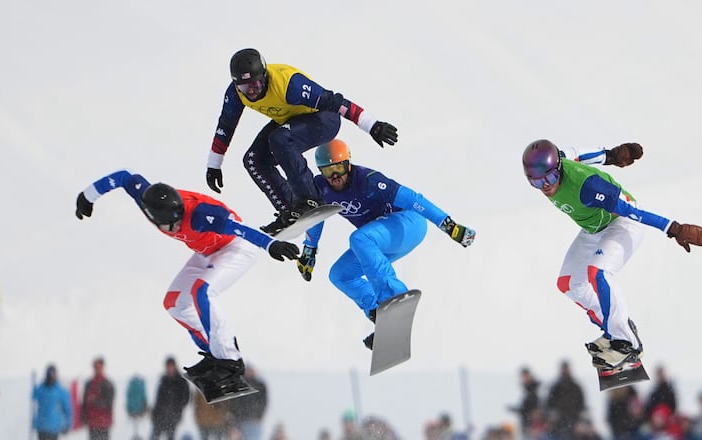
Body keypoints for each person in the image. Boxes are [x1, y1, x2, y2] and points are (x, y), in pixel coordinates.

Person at [75, 169, 299, 402]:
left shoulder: (200, 215)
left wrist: (271, 245)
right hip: (207, 251)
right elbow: (122, 177)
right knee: (175, 303)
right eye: (170, 226)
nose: (175, 227)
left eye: (177, 222)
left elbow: (239, 228)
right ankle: (214, 352)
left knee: (202, 292)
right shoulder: (146, 198)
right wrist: (87, 196)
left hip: (237, 247)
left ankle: (230, 361)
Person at [521, 140, 702, 370]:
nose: (546, 187)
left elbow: (631, 211)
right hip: (594, 228)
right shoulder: (560, 159)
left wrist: (674, 228)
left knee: (598, 272)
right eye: (536, 183)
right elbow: (578, 154)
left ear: (558, 168)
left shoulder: (588, 186)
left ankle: (627, 343)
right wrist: (610, 156)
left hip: (623, 223)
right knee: (569, 283)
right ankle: (614, 328)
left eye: (549, 179)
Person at [296, 139, 475, 348]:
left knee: (359, 238)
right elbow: (317, 217)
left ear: (348, 164)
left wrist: (449, 225)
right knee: (340, 275)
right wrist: (309, 251)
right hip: (379, 239)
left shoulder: (368, 180)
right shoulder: (320, 189)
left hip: (409, 224)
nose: (335, 176)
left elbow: (413, 198)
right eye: (328, 171)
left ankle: (394, 297)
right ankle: (380, 316)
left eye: (338, 168)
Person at [205, 48, 399, 235]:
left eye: (256, 85)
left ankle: (310, 199)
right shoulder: (235, 94)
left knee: (279, 138)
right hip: (291, 121)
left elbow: (335, 102)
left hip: (324, 119)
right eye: (245, 88)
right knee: (253, 160)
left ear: (265, 76)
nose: (252, 92)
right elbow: (226, 126)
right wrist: (214, 164)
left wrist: (372, 125)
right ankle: (290, 209)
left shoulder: (290, 84)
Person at [150, 357, 191, 440]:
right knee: (154, 436)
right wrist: (155, 413)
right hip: (160, 416)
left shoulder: (181, 381)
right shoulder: (163, 380)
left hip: (173, 417)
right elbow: (159, 399)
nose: (169, 368)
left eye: (171, 366)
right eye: (168, 366)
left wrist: (176, 409)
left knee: (170, 436)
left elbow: (185, 398)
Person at [545, 360, 586, 440]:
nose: (565, 370)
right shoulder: (555, 387)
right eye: (564, 368)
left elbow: (581, 405)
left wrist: (579, 420)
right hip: (558, 424)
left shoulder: (576, 387)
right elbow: (548, 405)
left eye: (566, 368)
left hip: (573, 422)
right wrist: (552, 416)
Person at [226, 364, 267, 440]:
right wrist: (232, 421)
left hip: (253, 420)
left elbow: (263, 402)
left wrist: (259, 416)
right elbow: (232, 402)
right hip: (238, 420)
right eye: (247, 370)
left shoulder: (260, 385)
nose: (249, 372)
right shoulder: (238, 384)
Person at [32, 364, 73, 440]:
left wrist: (68, 424)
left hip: (53, 428)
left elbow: (68, 409)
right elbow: (31, 401)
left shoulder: (60, 391)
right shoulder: (40, 389)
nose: (50, 376)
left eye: (52, 374)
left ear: (56, 375)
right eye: (49, 374)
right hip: (41, 427)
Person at [81, 357, 115, 440]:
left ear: (103, 367)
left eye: (99, 367)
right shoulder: (89, 383)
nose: (97, 369)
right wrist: (83, 417)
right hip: (92, 422)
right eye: (95, 367)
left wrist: (94, 401)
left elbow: (109, 402)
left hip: (103, 422)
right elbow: (84, 403)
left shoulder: (108, 384)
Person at [126, 374, 148, 440]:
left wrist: (129, 409)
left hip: (134, 409)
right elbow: (144, 397)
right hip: (139, 409)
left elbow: (129, 397)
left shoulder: (131, 385)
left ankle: (136, 436)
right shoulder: (141, 384)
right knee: (138, 424)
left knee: (136, 424)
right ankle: (136, 436)